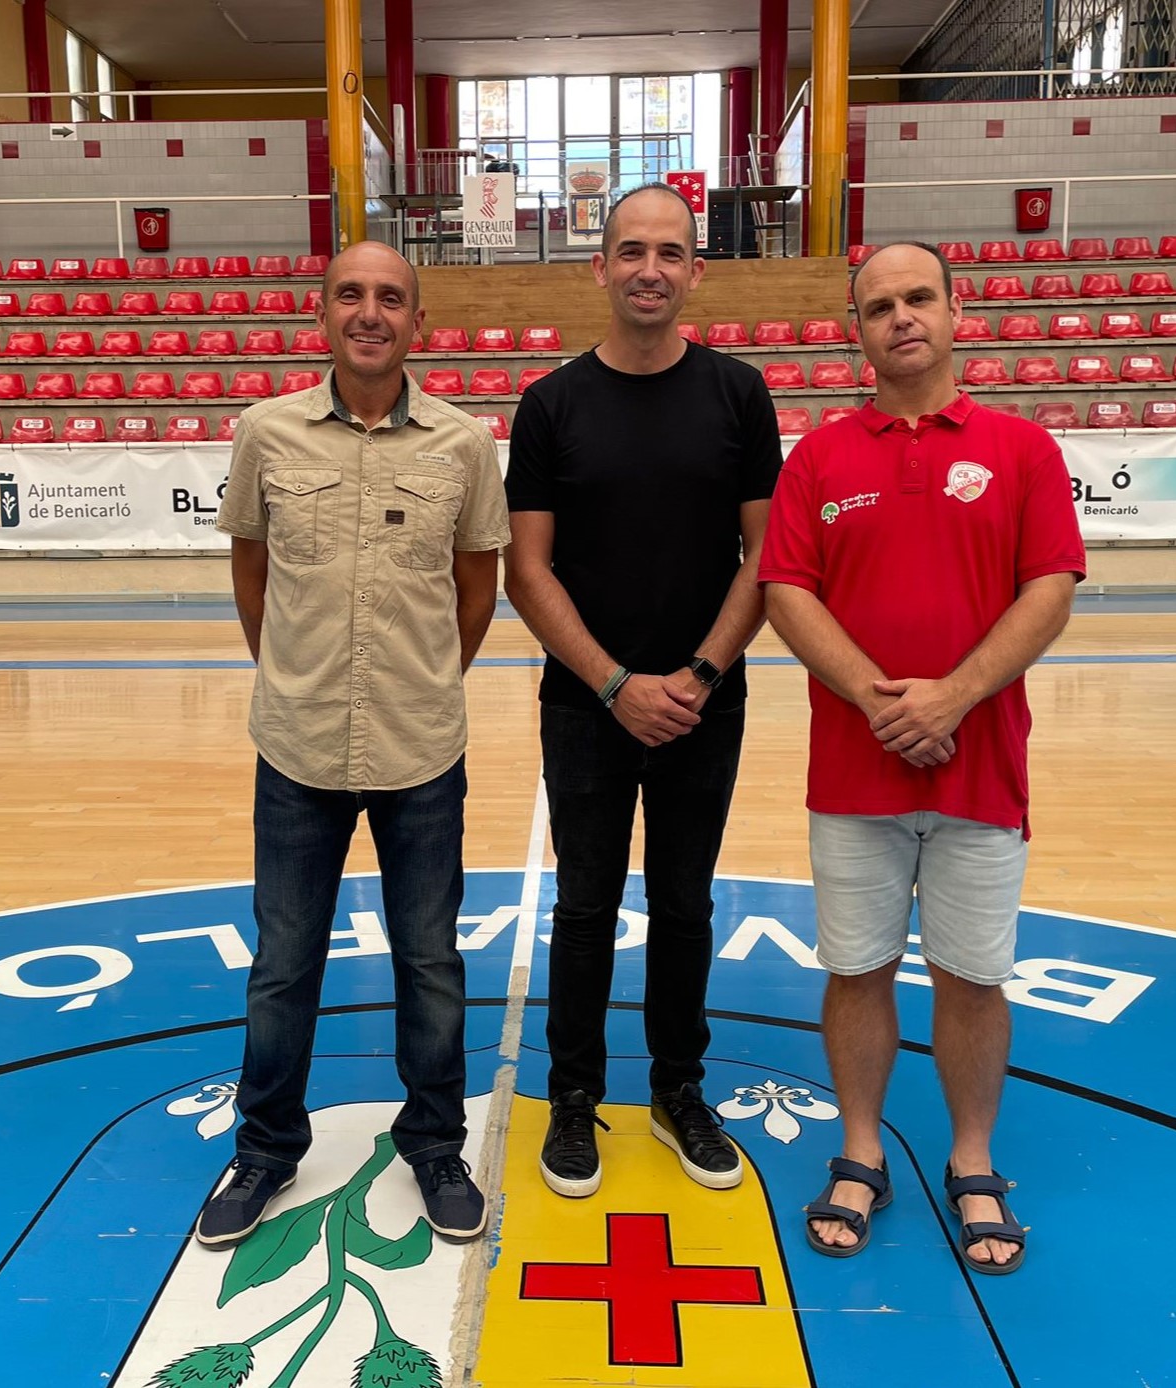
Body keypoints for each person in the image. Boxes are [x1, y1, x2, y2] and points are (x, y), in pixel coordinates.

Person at [758, 241, 1084, 1269]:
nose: (900, 317)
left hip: (980, 768)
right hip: (852, 775)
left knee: (971, 976)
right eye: (878, 306)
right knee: (856, 968)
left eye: (918, 298)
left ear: (954, 311)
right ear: (855, 329)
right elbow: (785, 592)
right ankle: (860, 1148)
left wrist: (951, 693)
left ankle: (972, 1156)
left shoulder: (1022, 448)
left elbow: (1050, 588)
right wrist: (876, 697)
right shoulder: (818, 457)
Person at [201, 241, 510, 1248]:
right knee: (284, 961)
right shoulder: (265, 433)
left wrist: (418, 678)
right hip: (295, 745)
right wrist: (294, 672)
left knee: (430, 959)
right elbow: (253, 575)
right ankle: (265, 1145)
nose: (369, 311)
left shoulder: (462, 445)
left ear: (418, 322)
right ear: (322, 313)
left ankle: (432, 1142)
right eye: (350, 294)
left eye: (390, 297)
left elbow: (477, 590)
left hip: (422, 747)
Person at [504, 183, 782, 1198]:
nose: (649, 268)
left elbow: (767, 555)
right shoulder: (551, 403)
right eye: (630, 250)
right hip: (585, 703)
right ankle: (573, 1097)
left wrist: (699, 674)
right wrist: (617, 681)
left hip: (707, 702)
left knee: (683, 904)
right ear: (600, 265)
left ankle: (678, 1090)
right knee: (583, 908)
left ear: (696, 269)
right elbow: (525, 570)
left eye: (670, 251)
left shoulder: (739, 395)